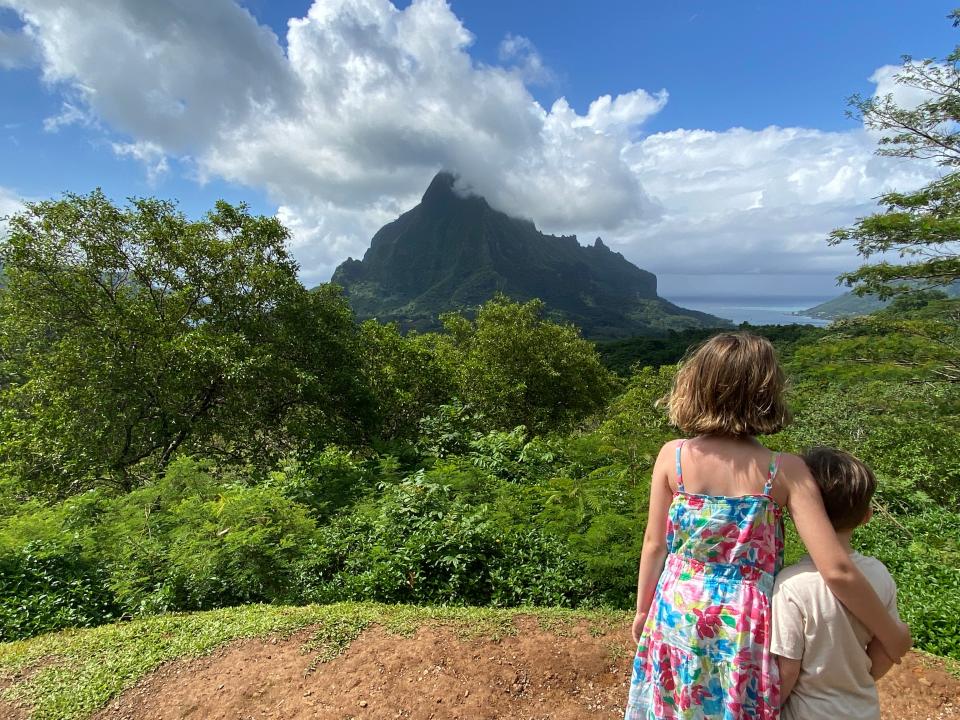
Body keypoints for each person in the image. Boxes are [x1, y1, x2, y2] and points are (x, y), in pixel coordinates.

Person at [623, 332, 910, 720]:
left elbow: (655, 544)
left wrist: (643, 610)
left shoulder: (672, 456)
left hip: (676, 606)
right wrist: (890, 632)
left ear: (697, 385)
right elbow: (837, 569)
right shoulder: (784, 470)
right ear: (766, 392)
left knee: (675, 705)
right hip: (743, 621)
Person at [771, 448, 900, 720]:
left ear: (799, 514)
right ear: (866, 516)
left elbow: (788, 671)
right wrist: (855, 683)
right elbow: (887, 650)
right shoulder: (879, 574)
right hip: (863, 709)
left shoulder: (791, 585)